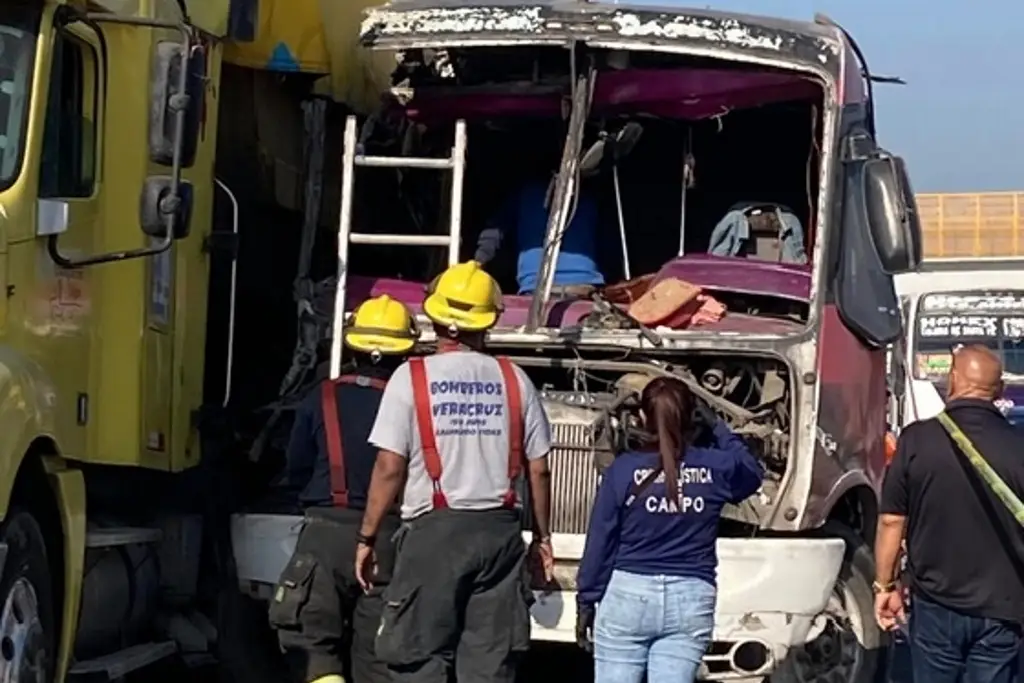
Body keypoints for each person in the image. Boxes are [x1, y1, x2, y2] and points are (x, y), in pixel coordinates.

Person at [354, 260, 555, 683]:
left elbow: (390, 466)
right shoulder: (515, 379)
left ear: (436, 315)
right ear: (489, 321)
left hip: (434, 536)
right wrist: (542, 538)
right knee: (489, 666)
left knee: (419, 659)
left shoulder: (411, 377)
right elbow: (538, 470)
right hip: (500, 534)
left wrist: (367, 537)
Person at [268, 295, 420, 683]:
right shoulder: (414, 404)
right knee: (379, 655)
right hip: (389, 538)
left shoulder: (322, 395)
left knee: (312, 645)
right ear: (406, 349)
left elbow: (296, 465)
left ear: (352, 343)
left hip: (324, 535)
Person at [574, 377, 764, 683]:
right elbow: (752, 471)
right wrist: (718, 428)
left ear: (642, 418)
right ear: (693, 417)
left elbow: (601, 540)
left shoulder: (623, 470)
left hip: (628, 597)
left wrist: (586, 597)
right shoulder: (716, 467)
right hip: (691, 597)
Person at [875, 344, 1024, 683]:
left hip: (936, 603)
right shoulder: (1019, 446)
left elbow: (892, 520)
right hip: (1004, 607)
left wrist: (885, 585)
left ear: (951, 381)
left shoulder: (916, 440)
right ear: (998, 391)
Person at [474, 171, 605, 296]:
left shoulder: (524, 192)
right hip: (583, 287)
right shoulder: (591, 197)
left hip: (535, 288)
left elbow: (494, 233)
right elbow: (610, 247)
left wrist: (478, 262)